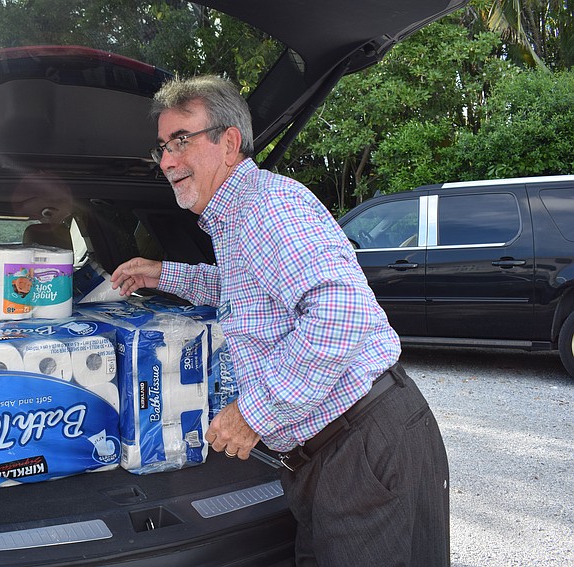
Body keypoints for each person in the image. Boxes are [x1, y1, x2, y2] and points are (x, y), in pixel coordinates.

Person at [110, 75, 449, 566]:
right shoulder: (236, 219)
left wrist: (253, 414)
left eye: (181, 141)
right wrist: (164, 273)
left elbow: (339, 312)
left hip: (364, 448)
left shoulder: (267, 208)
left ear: (228, 143)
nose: (166, 161)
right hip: (327, 455)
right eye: (162, 146)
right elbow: (243, 288)